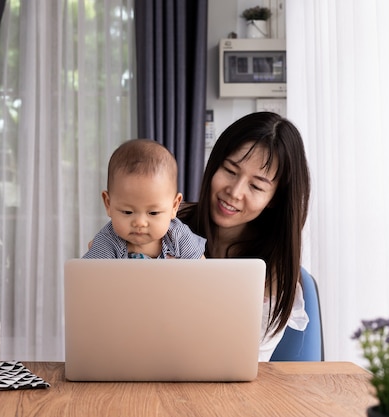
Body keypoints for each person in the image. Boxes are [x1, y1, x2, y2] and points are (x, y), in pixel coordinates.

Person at [178, 111, 311, 361]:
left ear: (275, 199)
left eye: (256, 186)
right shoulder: (168, 223)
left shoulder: (272, 271)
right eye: (229, 170)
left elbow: (247, 362)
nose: (235, 192)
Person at [83, 138, 206, 259]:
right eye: (127, 212)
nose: (140, 223)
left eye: (153, 213)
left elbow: (203, 271)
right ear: (108, 204)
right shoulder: (107, 241)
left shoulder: (178, 235)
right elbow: (88, 277)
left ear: (174, 206)